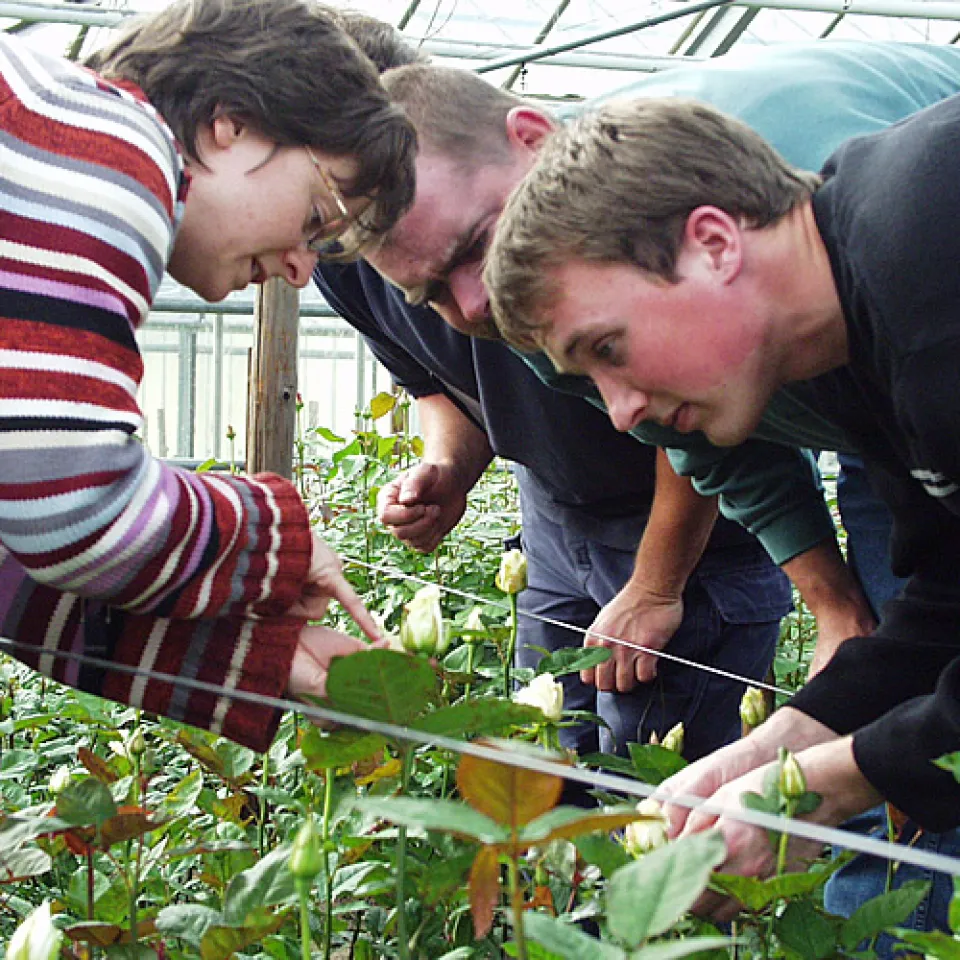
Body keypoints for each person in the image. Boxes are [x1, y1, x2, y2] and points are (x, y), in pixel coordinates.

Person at [485, 88, 960, 914]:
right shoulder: (852, 330)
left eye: (608, 348)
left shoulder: (932, 285)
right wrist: (782, 744)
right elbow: (951, 597)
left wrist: (824, 786)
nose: (620, 413)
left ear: (713, 243)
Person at [318, 27, 794, 763]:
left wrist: (656, 583)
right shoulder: (347, 261)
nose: (473, 304)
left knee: (659, 783)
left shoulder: (589, 194)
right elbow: (439, 384)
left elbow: (698, 406)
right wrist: (448, 469)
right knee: (543, 763)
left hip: (685, 528)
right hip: (554, 516)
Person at [0, 0, 417, 751]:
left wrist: (260, 655)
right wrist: (272, 539)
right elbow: (74, 509)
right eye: (316, 216)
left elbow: (20, 541)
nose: (302, 267)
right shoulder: (107, 143)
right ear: (231, 120)